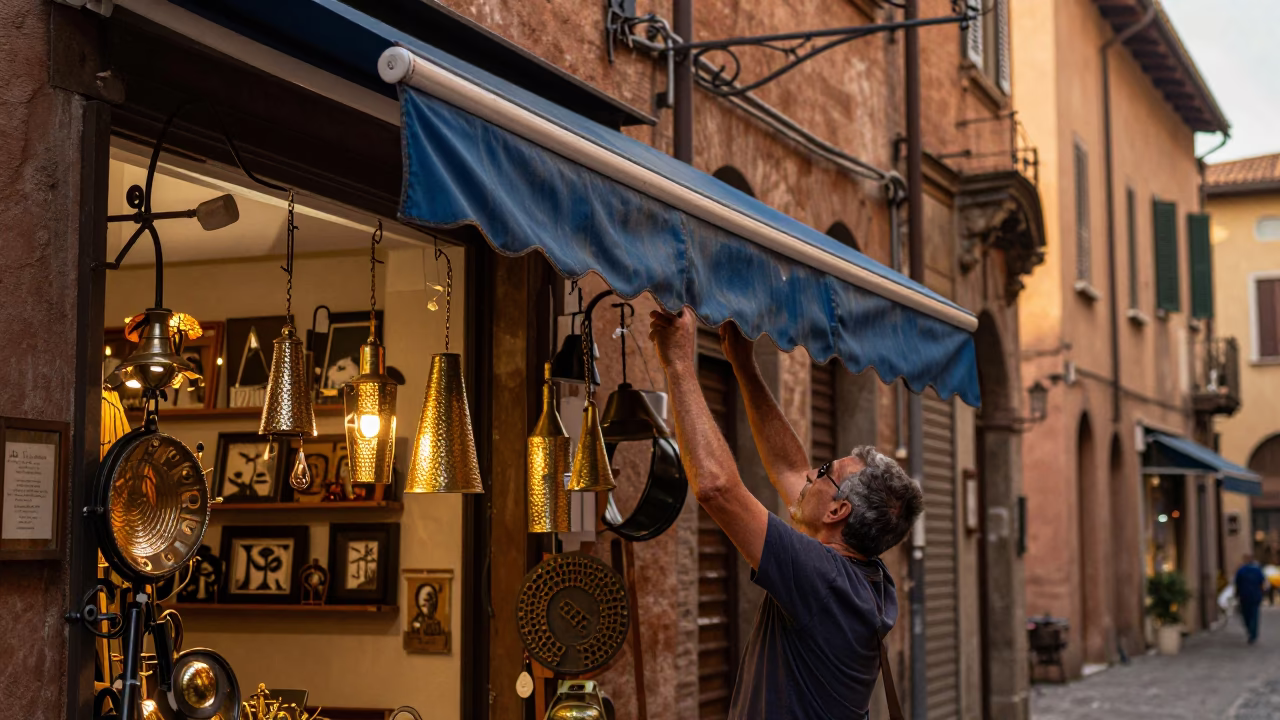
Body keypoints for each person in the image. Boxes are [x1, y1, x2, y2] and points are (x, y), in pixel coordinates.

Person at [649, 310, 923, 720]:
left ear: (837, 510)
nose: (812, 473)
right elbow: (789, 469)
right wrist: (744, 366)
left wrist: (680, 365)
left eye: (825, 471)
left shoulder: (822, 578)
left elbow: (716, 488)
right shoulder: (870, 578)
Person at [1235, 554, 1267, 644]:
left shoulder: (1241, 570)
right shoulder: (1257, 570)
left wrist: (1237, 594)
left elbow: (1237, 583)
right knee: (1254, 615)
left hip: (1244, 596)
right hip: (1254, 596)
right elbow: (1262, 583)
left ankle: (1250, 630)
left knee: (1246, 615)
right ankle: (1253, 633)